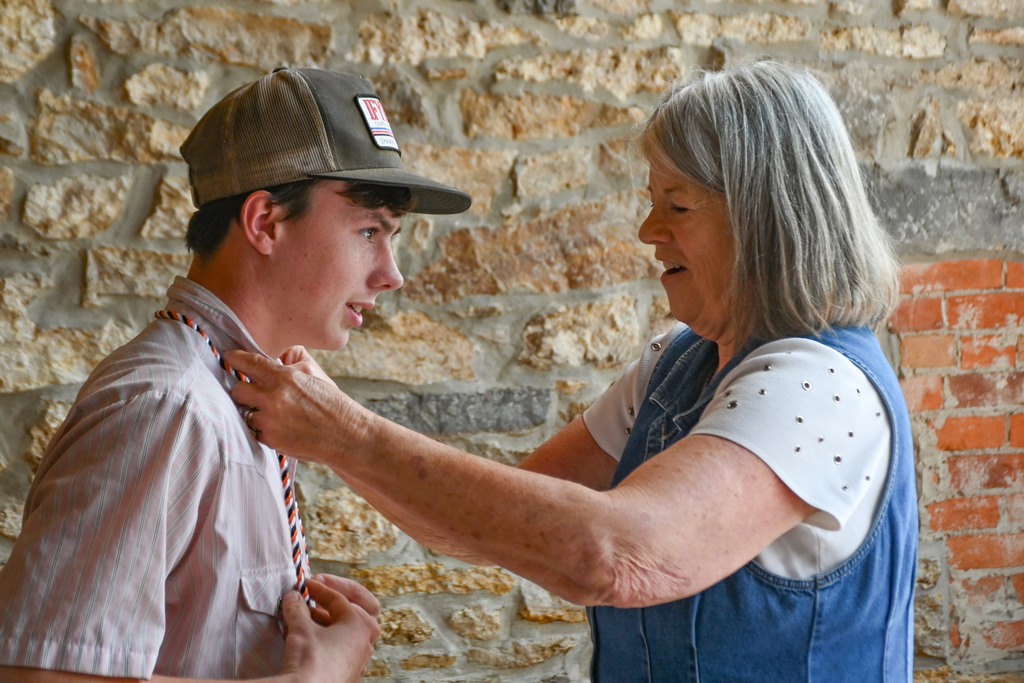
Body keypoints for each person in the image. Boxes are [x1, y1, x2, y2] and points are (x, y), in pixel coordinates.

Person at [226, 61, 917, 682]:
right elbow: (486, 525)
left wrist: (343, 432)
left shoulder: (820, 386)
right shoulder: (679, 361)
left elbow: (615, 554)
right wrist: (323, 428)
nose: (649, 229)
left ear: (766, 218)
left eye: (676, 205)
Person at [0, 68, 472, 683]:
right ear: (264, 223)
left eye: (392, 237)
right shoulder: (166, 406)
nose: (392, 273)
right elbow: (39, 678)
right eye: (368, 231)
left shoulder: (240, 395)